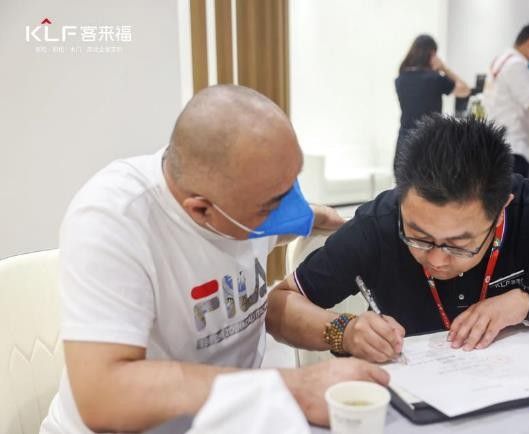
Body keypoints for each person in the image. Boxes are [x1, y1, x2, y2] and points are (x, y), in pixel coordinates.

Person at [40, 85, 389, 434]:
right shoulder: (114, 221)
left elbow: (283, 218)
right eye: (271, 206)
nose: (288, 210)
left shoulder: (245, 199)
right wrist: (293, 388)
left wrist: (316, 218)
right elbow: (103, 395)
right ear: (201, 210)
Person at [266, 115, 529, 363]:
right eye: (418, 237)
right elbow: (279, 306)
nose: (437, 259)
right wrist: (343, 331)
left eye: (459, 244)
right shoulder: (378, 224)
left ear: (502, 208)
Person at [483, 22, 529, 178]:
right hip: (514, 145)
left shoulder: (501, 59)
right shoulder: (515, 64)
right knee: (515, 191)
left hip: (497, 141)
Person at [394, 34, 470, 170]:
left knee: (404, 181)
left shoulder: (400, 79)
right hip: (429, 141)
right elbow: (465, 90)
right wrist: (444, 68)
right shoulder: (434, 79)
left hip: (404, 141)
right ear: (432, 53)